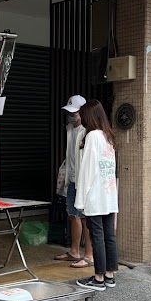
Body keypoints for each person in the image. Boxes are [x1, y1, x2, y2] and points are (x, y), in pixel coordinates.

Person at [74, 100, 118, 291]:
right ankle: (109, 274)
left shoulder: (92, 136)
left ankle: (98, 278)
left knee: (97, 235)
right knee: (109, 235)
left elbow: (87, 170)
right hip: (108, 194)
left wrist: (80, 199)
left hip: (95, 195)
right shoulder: (108, 136)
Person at [54, 94, 94, 269]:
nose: (71, 115)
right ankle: (74, 251)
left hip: (83, 181)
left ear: (82, 112)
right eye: (69, 112)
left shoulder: (88, 131)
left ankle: (89, 255)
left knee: (86, 218)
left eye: (74, 112)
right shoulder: (70, 128)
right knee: (72, 215)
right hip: (71, 179)